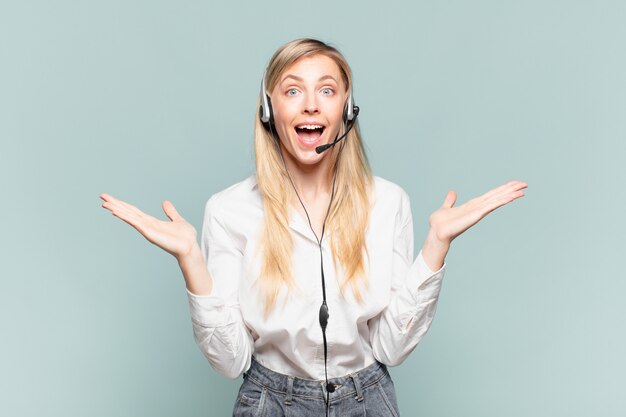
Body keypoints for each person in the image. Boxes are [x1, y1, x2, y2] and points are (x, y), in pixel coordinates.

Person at [100, 38, 528, 416]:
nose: (310, 104)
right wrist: (191, 261)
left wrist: (437, 245)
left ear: (347, 108)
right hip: (269, 400)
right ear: (269, 109)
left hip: (368, 399)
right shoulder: (229, 210)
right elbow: (230, 362)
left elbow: (391, 349)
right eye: (292, 90)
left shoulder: (389, 202)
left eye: (327, 89)